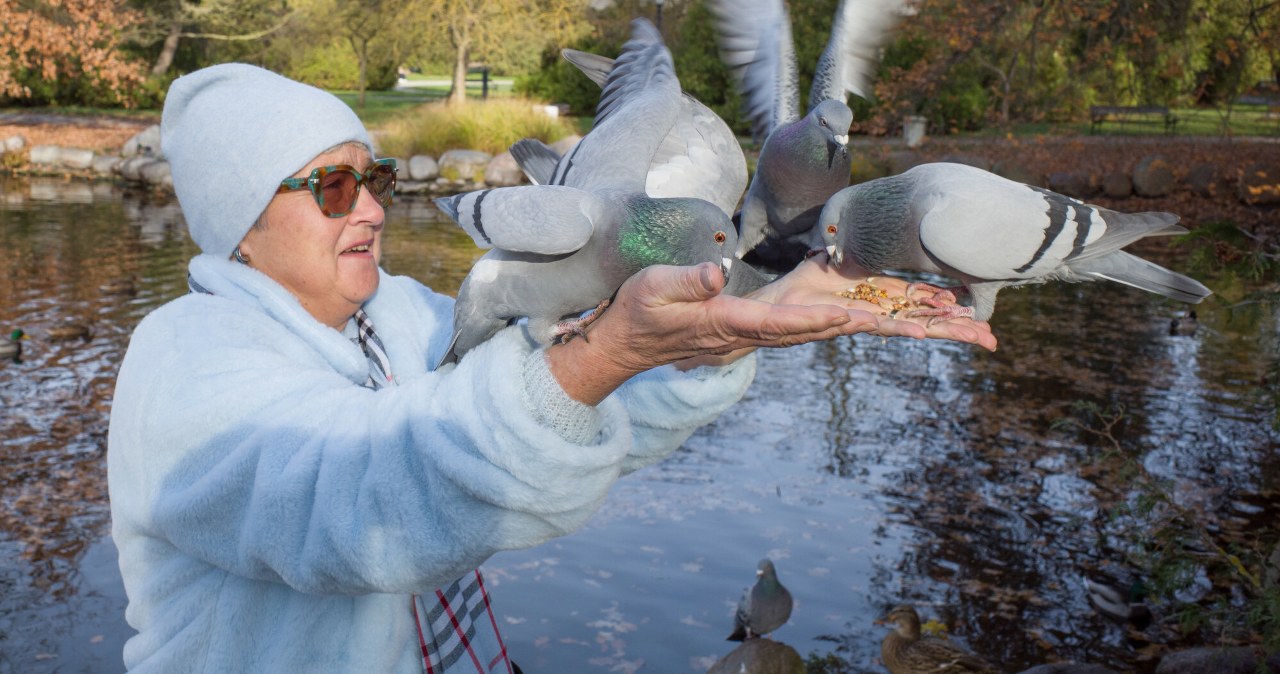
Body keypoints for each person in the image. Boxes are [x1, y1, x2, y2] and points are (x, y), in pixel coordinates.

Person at [107, 63, 996, 674]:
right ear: (238, 218)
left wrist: (735, 327)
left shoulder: (407, 316)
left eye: (373, 177)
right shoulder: (185, 365)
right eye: (334, 188)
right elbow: (367, 505)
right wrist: (607, 346)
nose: (374, 206)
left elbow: (570, 417)